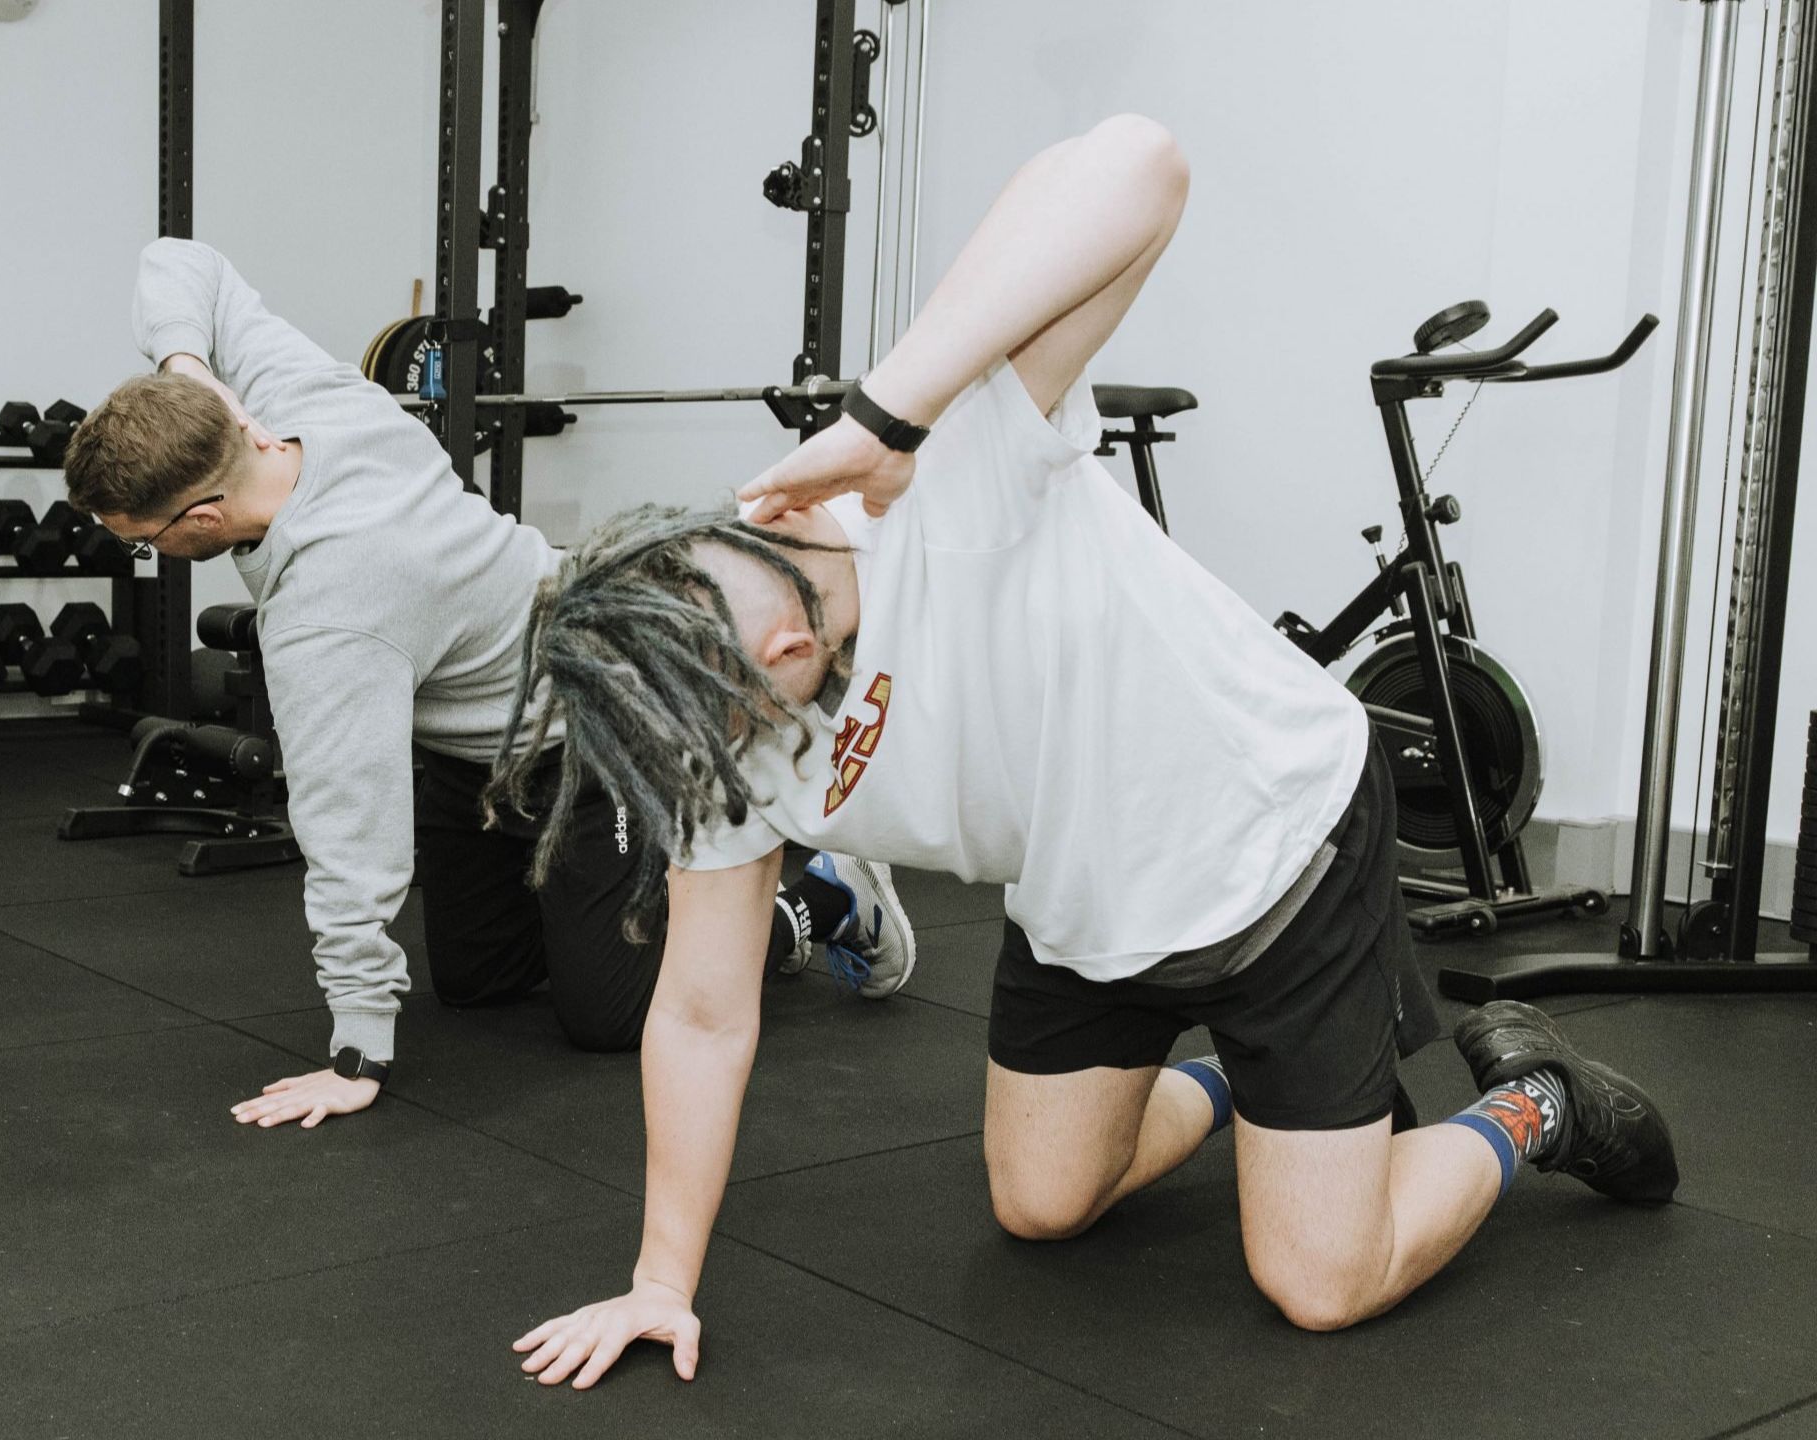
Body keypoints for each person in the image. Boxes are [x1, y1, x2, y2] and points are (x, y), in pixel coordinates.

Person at [490, 114, 1679, 1386]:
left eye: (767, 630)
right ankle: (1260, 1090)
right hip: (1082, 903)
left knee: (1319, 1283)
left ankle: (1537, 1102)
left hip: (1273, 842)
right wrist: (659, 1282)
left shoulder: (944, 475)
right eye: (742, 695)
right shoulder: (715, 744)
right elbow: (701, 1013)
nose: (776, 671)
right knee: (1041, 1205)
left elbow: (1140, 161)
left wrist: (889, 411)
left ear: (741, 531)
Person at [60, 238, 917, 1130]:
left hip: (592, 733)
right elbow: (180, 260)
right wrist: (189, 369)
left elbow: (349, 832)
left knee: (610, 1017)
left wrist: (359, 1048)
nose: (148, 551)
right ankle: (609, 903)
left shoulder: (330, 615)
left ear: (204, 515)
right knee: (478, 984)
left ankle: (822, 898)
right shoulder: (306, 403)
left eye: (143, 539)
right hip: (475, 753)